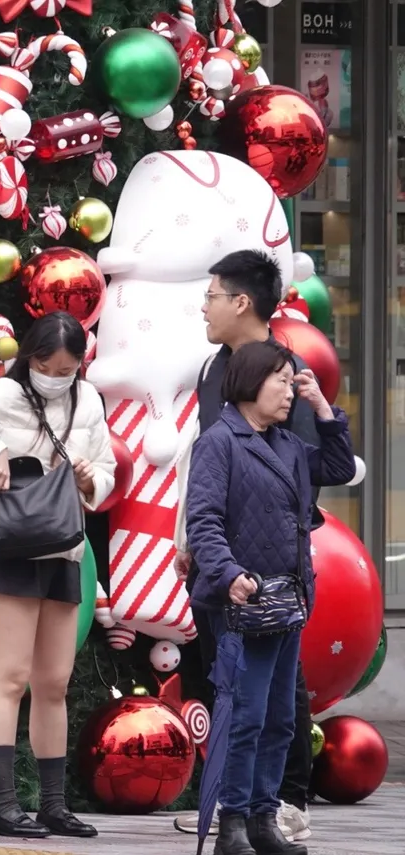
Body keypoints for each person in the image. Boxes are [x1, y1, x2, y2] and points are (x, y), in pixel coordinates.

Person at [0, 312, 115, 840]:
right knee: (10, 678)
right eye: (46, 364)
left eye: (67, 368)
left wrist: (91, 479)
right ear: (30, 358)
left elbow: (105, 469)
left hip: (63, 550)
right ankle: (3, 805)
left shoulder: (88, 401)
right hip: (10, 547)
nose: (56, 376)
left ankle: (54, 806)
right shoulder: (3, 395)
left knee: (54, 683)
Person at [173, 251, 326, 843]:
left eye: (212, 295)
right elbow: (209, 473)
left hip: (274, 572)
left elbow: (312, 469)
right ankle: (237, 809)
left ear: (241, 302)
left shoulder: (285, 370)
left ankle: (281, 803)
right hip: (226, 568)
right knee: (238, 693)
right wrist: (201, 544)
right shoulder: (218, 369)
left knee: (279, 700)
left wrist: (321, 410)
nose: (205, 307)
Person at [184, 340, 355, 855]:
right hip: (243, 603)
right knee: (246, 715)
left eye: (293, 380)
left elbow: (340, 468)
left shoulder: (285, 444)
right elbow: (204, 520)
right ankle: (232, 821)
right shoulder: (220, 441)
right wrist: (229, 572)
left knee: (281, 717)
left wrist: (323, 408)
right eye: (281, 380)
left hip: (288, 601)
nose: (289, 391)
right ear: (250, 382)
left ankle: (263, 818)